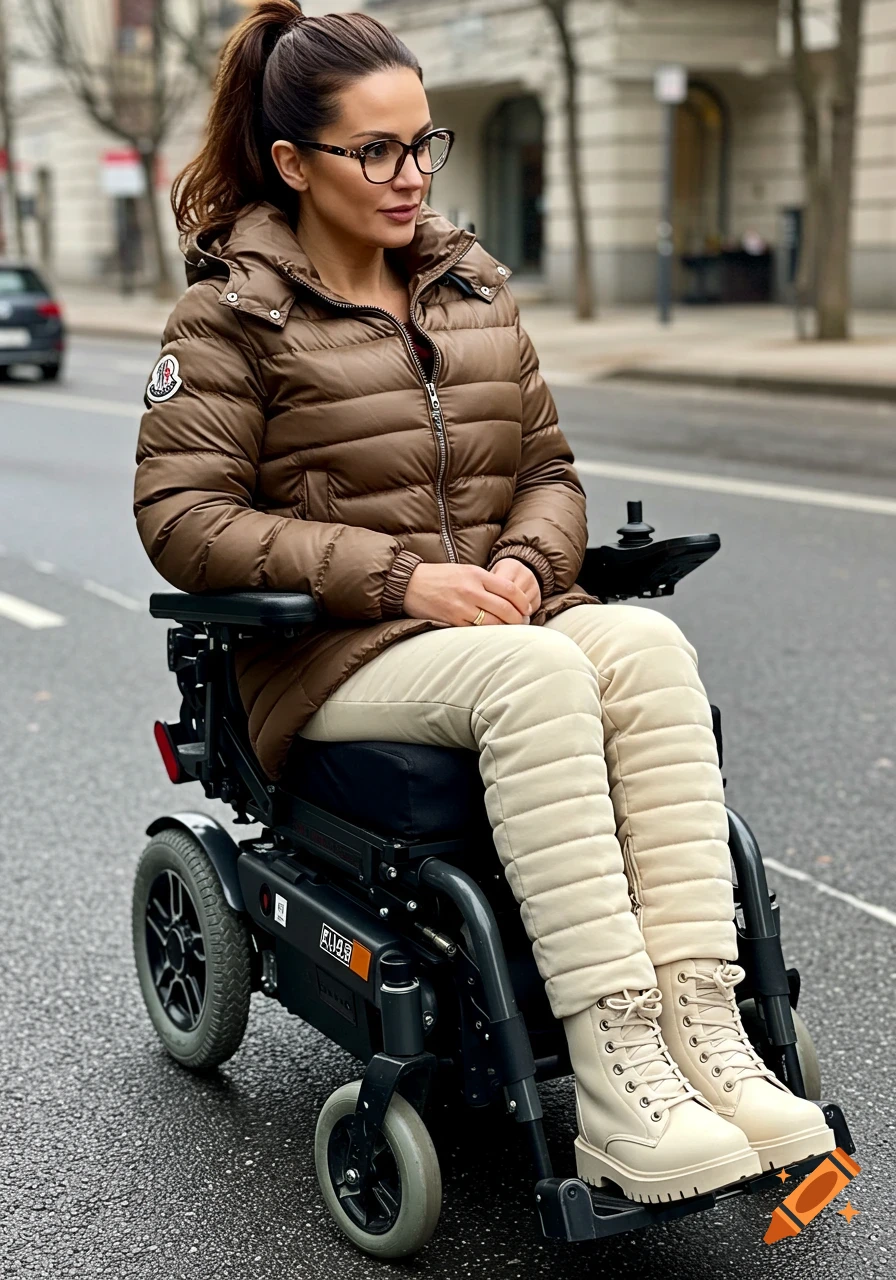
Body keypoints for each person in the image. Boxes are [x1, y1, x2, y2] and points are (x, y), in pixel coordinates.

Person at [133, 1, 834, 1203]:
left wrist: (524, 561)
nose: (410, 174)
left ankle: (706, 1038)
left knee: (646, 643)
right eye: (375, 150)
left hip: (492, 620)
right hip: (337, 653)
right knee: (541, 673)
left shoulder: (469, 288)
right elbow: (183, 518)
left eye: (423, 143)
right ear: (293, 163)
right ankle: (617, 1089)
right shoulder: (229, 314)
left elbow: (547, 469)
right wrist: (400, 577)